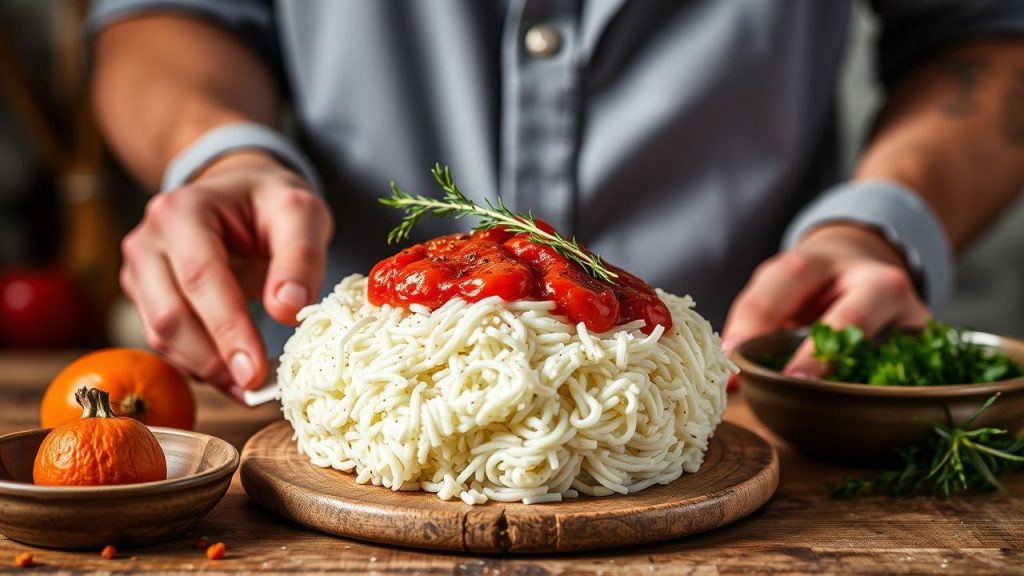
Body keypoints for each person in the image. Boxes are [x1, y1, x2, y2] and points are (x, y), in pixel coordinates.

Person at [89, 1, 1024, 402]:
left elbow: (985, 30)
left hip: (751, 383)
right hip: (339, 363)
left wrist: (877, 222)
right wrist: (217, 153)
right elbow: (164, 15)